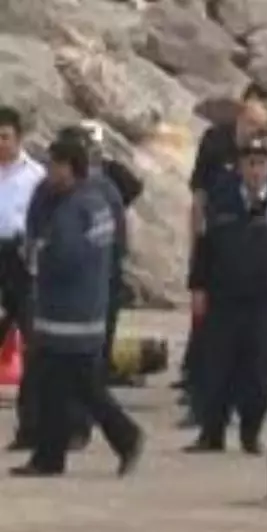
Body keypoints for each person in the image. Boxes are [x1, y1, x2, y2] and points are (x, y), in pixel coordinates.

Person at [12, 133, 143, 477]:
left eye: (54, 165)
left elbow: (62, 257)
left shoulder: (72, 209)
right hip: (87, 311)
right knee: (63, 387)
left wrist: (34, 252)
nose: (49, 173)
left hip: (64, 316)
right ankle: (50, 456)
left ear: (70, 168)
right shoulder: (98, 200)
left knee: (76, 386)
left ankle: (124, 436)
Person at [186, 135, 267, 454]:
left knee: (258, 369)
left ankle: (250, 432)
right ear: (240, 166)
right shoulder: (221, 200)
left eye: (261, 163)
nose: (255, 170)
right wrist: (197, 287)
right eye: (250, 163)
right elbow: (204, 248)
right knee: (217, 365)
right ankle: (211, 432)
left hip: (265, 299)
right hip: (224, 296)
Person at [181, 83, 267, 427]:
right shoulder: (215, 143)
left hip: (261, 276)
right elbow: (200, 200)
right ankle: (203, 411)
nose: (257, 134)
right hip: (223, 262)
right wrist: (196, 259)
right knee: (212, 345)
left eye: (263, 128)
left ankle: (248, 421)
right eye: (252, 125)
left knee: (256, 355)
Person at [77, 121, 142, 371]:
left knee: (107, 311)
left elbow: (134, 187)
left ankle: (101, 362)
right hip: (90, 254)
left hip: (108, 253)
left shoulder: (109, 173)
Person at [0, 107, 45, 451]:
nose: (1, 144)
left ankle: (30, 427)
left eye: (5, 137)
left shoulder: (36, 177)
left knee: (32, 346)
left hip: (23, 263)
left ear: (18, 138)